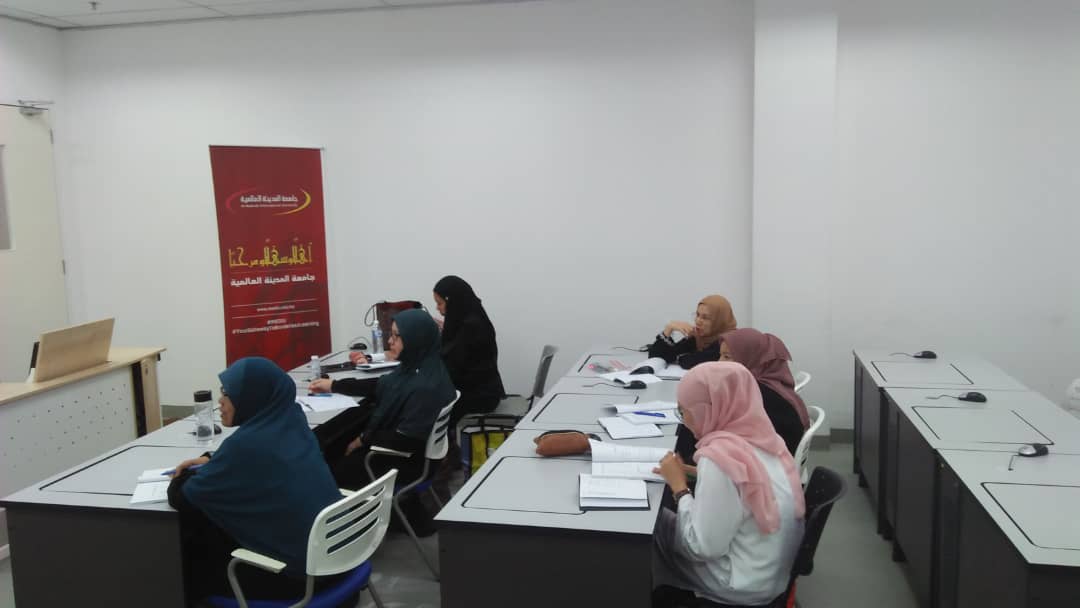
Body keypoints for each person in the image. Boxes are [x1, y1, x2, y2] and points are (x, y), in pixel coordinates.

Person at [167, 357, 349, 603]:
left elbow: (183, 497)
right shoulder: (292, 420)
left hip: (300, 579)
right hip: (339, 557)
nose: (220, 401)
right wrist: (213, 459)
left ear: (252, 397)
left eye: (227, 393)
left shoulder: (245, 446)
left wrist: (183, 475)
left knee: (186, 563)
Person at [652, 362, 805, 608]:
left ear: (709, 409)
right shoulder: (767, 439)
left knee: (655, 526)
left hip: (739, 585)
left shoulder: (719, 458)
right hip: (771, 577)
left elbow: (699, 547)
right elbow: (748, 483)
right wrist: (694, 473)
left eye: (684, 411)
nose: (685, 420)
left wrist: (680, 488)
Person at [309, 308, 456, 535]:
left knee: (333, 464)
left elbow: (406, 439)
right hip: (417, 454)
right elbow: (381, 385)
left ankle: (349, 530)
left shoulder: (424, 387)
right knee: (339, 442)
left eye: (397, 336)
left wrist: (363, 439)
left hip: (408, 462)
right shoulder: (420, 368)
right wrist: (334, 385)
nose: (390, 341)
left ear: (416, 339)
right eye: (391, 335)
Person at [719, 328, 810, 455]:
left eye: (727, 357)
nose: (719, 362)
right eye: (720, 355)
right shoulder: (773, 382)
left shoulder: (757, 394)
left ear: (750, 358)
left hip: (770, 459)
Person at [432, 275, 506, 425]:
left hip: (479, 397)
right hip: (483, 390)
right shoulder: (473, 317)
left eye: (440, 303)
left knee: (425, 405)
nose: (437, 308)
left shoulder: (471, 328)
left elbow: (452, 367)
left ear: (452, 301)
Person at [647, 295, 737, 370]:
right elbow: (656, 356)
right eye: (697, 315)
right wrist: (668, 330)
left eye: (705, 318)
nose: (698, 321)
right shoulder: (697, 337)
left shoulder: (729, 341)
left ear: (719, 321)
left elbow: (695, 361)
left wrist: (677, 357)